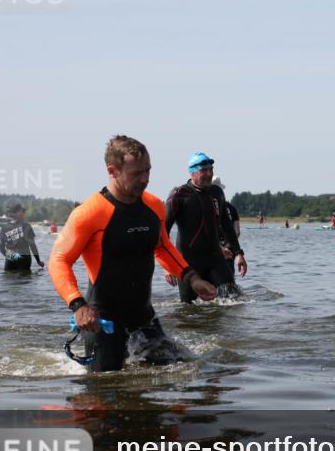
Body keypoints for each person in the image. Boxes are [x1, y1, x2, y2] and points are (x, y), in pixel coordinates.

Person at [49, 135, 217, 372]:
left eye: (148, 171)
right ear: (113, 170)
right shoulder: (90, 213)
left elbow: (163, 247)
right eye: (136, 173)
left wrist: (192, 278)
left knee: (182, 374)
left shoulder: (154, 206)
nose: (145, 179)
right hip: (103, 323)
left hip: (144, 317)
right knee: (104, 395)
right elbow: (59, 260)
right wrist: (78, 306)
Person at [165, 152, 248, 301]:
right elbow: (163, 232)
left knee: (234, 300)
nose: (209, 173)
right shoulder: (178, 195)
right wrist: (168, 266)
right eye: (204, 170)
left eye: (211, 169)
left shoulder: (217, 193)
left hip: (215, 258)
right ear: (192, 173)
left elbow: (227, 227)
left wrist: (238, 253)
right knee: (187, 309)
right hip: (187, 262)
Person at [0, 203, 43, 271]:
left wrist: (12, 256)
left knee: (9, 279)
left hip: (10, 258)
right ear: (18, 213)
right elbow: (32, 245)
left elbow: (1, 247)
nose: (24, 213)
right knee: (24, 279)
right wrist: (38, 261)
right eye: (22, 211)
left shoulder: (4, 228)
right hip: (24, 257)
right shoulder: (26, 226)